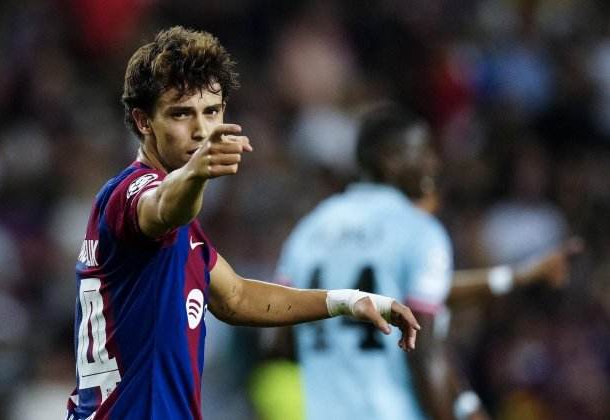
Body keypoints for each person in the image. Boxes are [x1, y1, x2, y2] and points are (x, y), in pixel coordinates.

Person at [64, 27, 421, 420]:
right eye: (181, 113)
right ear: (143, 121)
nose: (200, 130)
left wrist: (347, 300)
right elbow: (163, 207)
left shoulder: (181, 233)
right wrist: (197, 172)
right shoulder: (130, 196)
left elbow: (235, 298)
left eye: (211, 112)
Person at [271, 103, 580, 420]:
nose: (432, 162)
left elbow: (279, 342)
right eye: (422, 151)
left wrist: (338, 351)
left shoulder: (309, 230)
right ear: (390, 160)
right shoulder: (418, 230)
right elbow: (425, 352)